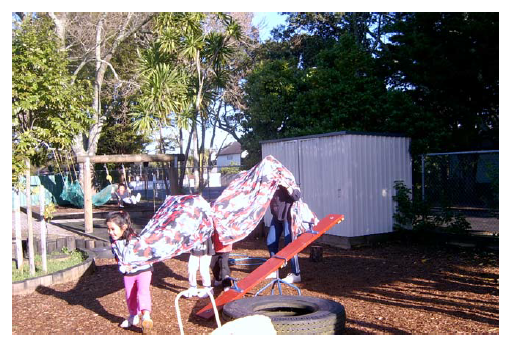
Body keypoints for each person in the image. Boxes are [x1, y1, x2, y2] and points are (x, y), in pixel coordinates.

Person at [106, 211, 153, 334]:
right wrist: (121, 266)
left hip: (143, 269)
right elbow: (118, 256)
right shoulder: (114, 241)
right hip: (128, 272)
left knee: (143, 291)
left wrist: (133, 263)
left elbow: (145, 253)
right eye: (108, 229)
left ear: (124, 227)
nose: (110, 232)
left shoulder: (135, 240)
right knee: (130, 295)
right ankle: (133, 315)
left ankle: (146, 317)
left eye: (113, 229)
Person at [266, 183, 302, 283]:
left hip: (287, 218)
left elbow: (297, 195)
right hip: (276, 217)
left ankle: (296, 273)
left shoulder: (286, 180)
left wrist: (289, 188)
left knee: (290, 245)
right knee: (271, 241)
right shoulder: (270, 183)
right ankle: (274, 270)